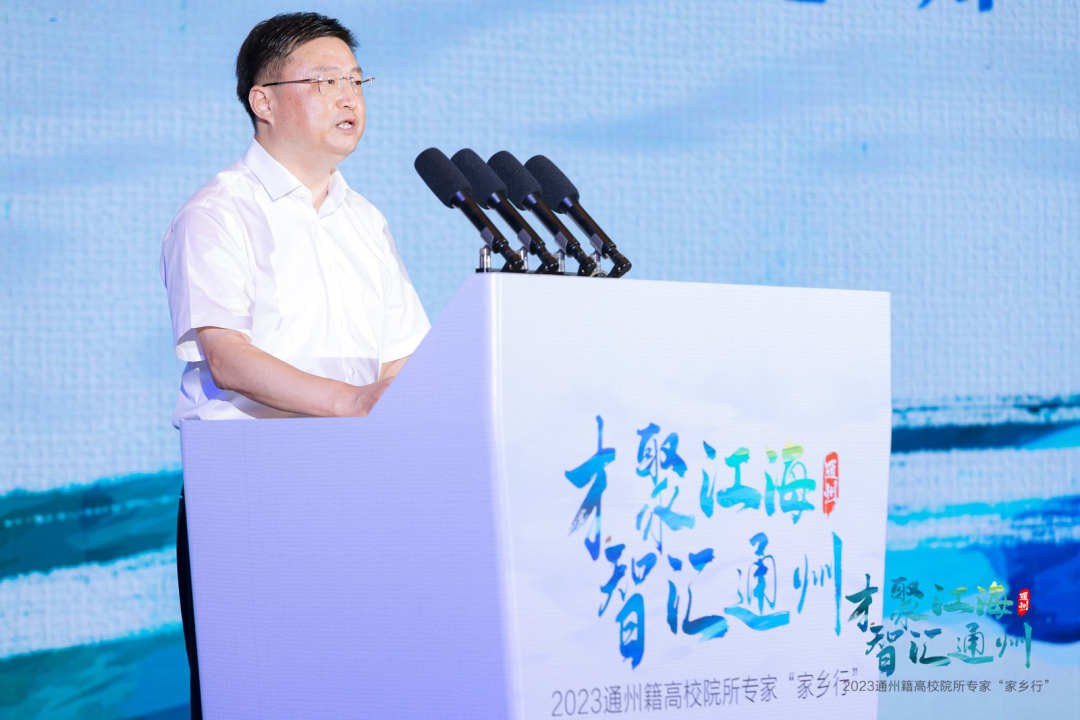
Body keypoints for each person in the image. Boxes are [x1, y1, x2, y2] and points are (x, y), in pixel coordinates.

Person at [159, 13, 429, 717]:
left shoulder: (365, 220)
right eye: (325, 81)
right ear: (264, 100)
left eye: (356, 82)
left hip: (360, 494)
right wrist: (354, 402)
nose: (348, 97)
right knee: (257, 695)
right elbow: (228, 359)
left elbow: (403, 357)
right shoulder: (218, 213)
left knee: (362, 689)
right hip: (248, 498)